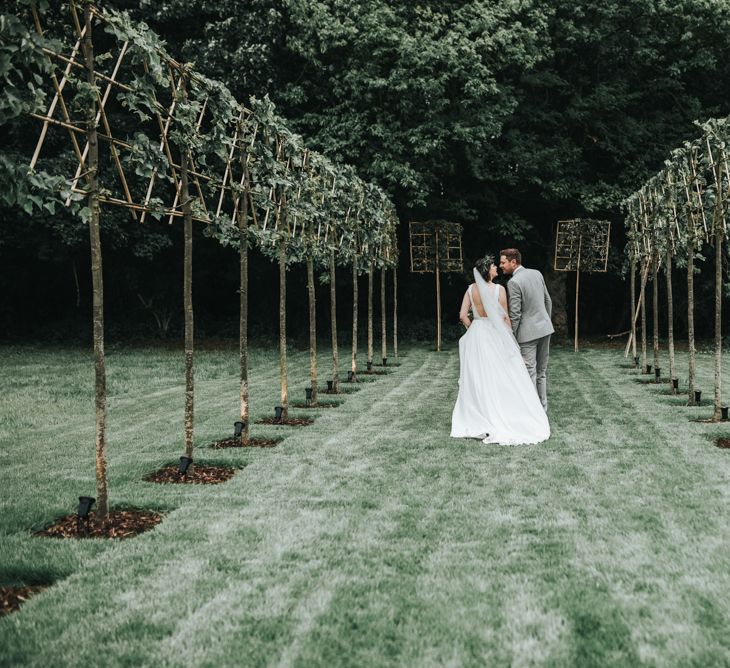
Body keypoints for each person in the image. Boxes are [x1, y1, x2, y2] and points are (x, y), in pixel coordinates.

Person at [450, 256, 550, 445]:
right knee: (500, 374)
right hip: (494, 334)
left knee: (479, 376)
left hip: (477, 334)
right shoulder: (499, 290)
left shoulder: (471, 290)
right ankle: (502, 412)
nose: (497, 267)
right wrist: (510, 338)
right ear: (488, 270)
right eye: (494, 265)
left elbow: (463, 315)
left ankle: (480, 414)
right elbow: (505, 318)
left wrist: (472, 328)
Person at [499, 248, 553, 410]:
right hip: (545, 329)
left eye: (503, 262)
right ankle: (542, 408)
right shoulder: (537, 273)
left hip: (527, 335)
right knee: (541, 371)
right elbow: (547, 301)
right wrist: (545, 321)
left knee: (530, 372)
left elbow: (515, 314)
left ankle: (532, 412)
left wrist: (511, 337)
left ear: (513, 262)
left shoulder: (513, 282)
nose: (500, 265)